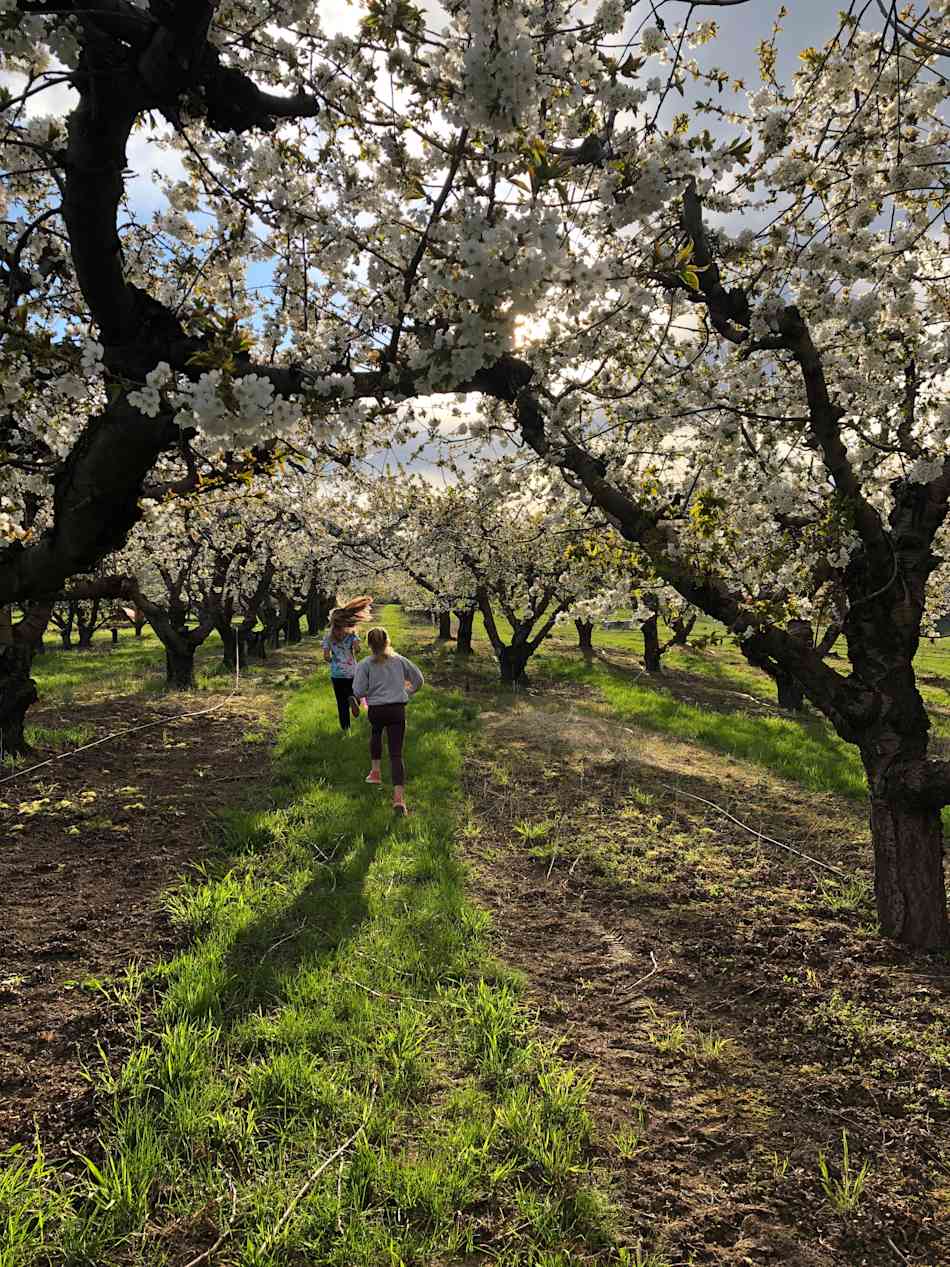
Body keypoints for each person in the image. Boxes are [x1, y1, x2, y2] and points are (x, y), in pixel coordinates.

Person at [351, 627, 424, 815]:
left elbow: (358, 692)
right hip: (396, 709)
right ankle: (399, 799)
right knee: (396, 754)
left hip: (376, 709)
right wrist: (406, 691)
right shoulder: (399, 661)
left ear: (369, 644)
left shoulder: (366, 664)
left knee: (375, 732)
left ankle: (375, 772)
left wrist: (371, 691)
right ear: (387, 641)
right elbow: (419, 680)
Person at [321, 596, 373, 733]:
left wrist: (332, 660)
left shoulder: (328, 637)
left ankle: (346, 729)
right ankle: (353, 698)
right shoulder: (352, 635)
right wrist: (355, 646)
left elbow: (326, 656)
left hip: (336, 673)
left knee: (341, 703)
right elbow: (357, 649)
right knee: (354, 691)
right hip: (352, 671)